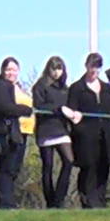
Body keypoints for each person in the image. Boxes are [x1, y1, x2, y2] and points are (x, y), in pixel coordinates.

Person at [68, 53, 110, 208]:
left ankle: (100, 200)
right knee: (88, 168)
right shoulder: (77, 88)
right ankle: (88, 201)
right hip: (86, 137)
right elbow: (72, 111)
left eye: (97, 67)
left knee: (104, 167)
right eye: (91, 66)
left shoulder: (107, 89)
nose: (94, 71)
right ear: (86, 66)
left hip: (106, 136)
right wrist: (80, 129)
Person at [0, 56, 35, 209]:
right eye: (8, 69)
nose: (11, 73)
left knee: (14, 168)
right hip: (5, 132)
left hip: (20, 132)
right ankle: (5, 203)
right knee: (6, 168)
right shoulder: (0, 87)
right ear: (2, 71)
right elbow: (4, 107)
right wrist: (25, 110)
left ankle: (10, 201)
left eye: (14, 70)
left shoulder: (17, 87)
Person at [32, 56, 75, 208]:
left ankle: (59, 199)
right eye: (54, 68)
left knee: (69, 161)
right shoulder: (40, 86)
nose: (56, 72)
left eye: (59, 68)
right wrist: (58, 110)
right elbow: (38, 107)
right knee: (48, 167)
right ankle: (50, 202)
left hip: (62, 130)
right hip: (46, 130)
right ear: (48, 69)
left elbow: (70, 106)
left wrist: (74, 114)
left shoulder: (65, 88)